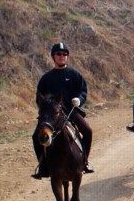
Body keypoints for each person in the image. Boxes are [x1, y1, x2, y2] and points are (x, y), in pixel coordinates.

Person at [32, 42, 94, 178]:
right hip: (51, 116)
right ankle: (42, 167)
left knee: (88, 131)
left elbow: (83, 91)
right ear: (53, 57)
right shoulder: (46, 78)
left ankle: (85, 161)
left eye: (64, 54)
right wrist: (45, 109)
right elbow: (39, 97)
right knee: (35, 136)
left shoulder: (74, 74)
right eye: (58, 54)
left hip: (71, 112)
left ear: (67, 57)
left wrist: (79, 99)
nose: (62, 56)